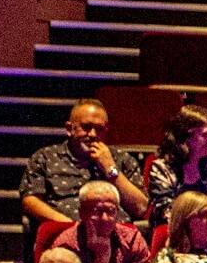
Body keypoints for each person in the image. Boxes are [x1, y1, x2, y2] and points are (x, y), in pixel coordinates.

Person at [19, 99, 148, 233]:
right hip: (64, 235)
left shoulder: (122, 160)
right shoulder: (45, 157)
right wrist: (67, 225)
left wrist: (110, 168)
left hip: (115, 237)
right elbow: (30, 201)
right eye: (86, 127)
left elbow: (140, 208)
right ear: (70, 129)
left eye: (99, 129)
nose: (93, 134)